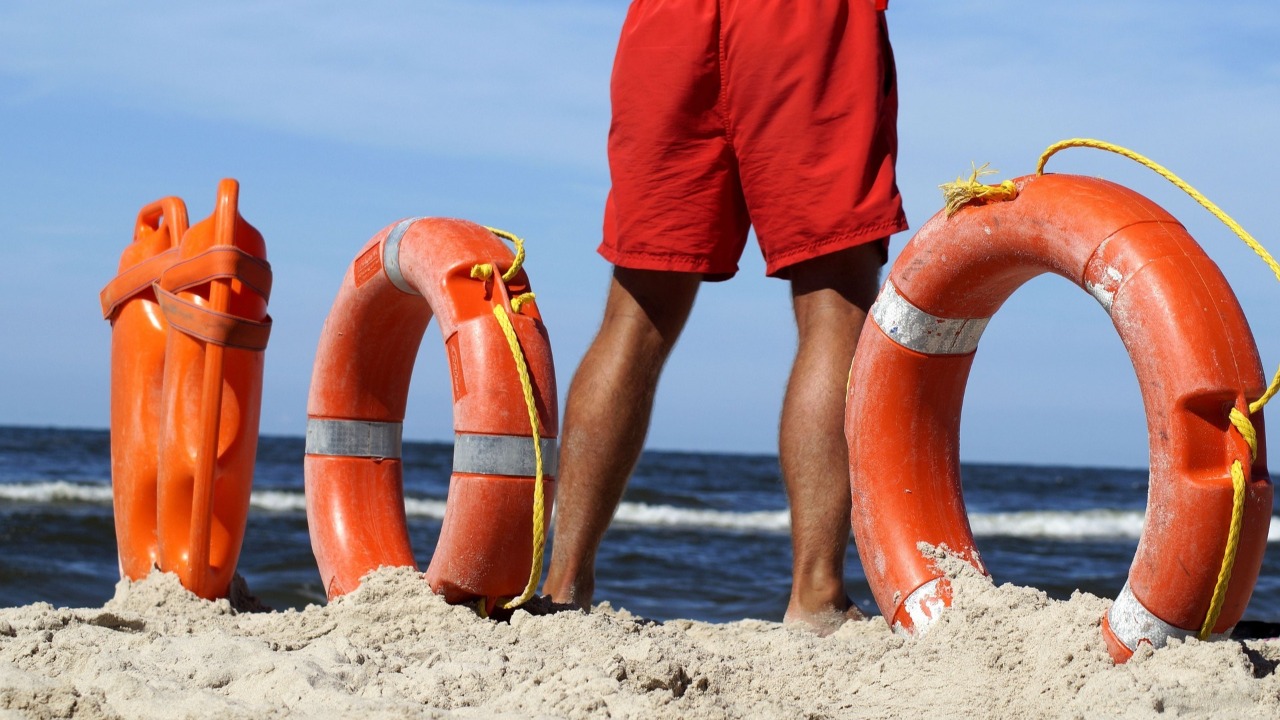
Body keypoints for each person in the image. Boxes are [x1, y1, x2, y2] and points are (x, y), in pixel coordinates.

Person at [542, 0, 906, 635]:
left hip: (668, 23)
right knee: (836, 303)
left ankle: (563, 586)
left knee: (636, 310)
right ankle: (816, 596)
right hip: (804, 22)